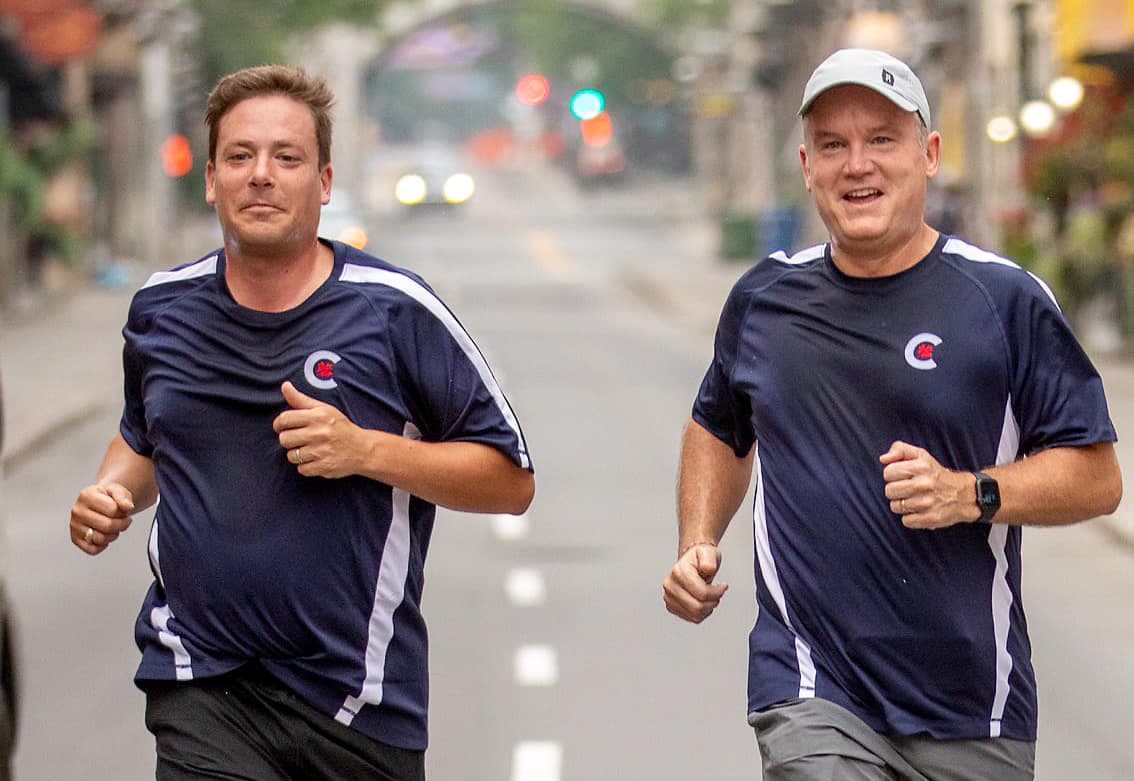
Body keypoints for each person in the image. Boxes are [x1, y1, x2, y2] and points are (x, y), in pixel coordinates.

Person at [662, 48, 1122, 781]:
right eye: (833, 146)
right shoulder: (765, 301)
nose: (858, 165)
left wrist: (971, 493)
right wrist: (697, 540)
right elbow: (719, 425)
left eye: (882, 139)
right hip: (812, 684)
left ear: (929, 154)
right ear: (807, 166)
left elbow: (1097, 478)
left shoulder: (1004, 301)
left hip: (974, 705)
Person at [68, 65, 534, 780]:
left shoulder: (395, 311)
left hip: (359, 702)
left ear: (323, 182)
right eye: (240, 156)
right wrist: (112, 493)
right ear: (211, 179)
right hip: (202, 681)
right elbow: (145, 439)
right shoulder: (162, 310)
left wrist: (365, 450)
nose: (261, 175)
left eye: (286, 157)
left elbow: (510, 481)